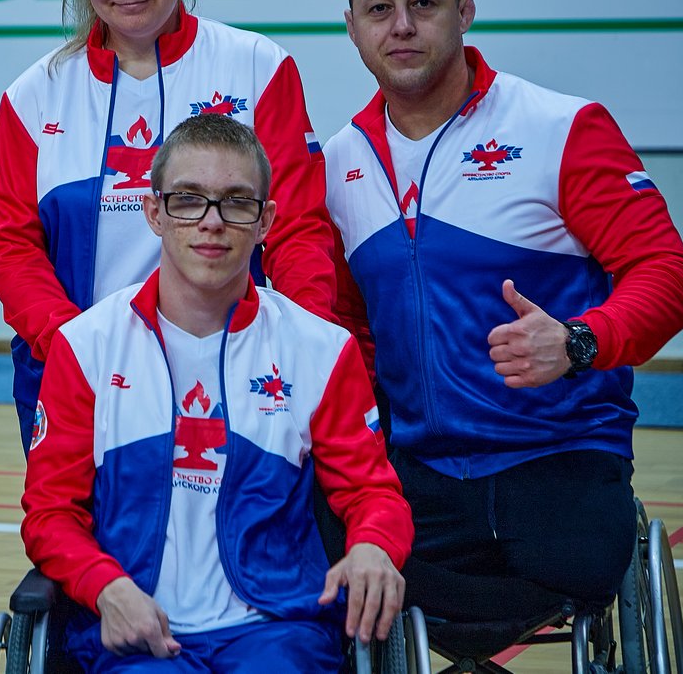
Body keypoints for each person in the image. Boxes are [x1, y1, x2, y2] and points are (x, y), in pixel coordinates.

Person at [325, 0, 683, 624]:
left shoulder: (560, 126)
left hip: (558, 457)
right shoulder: (339, 162)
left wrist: (578, 341)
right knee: (322, 552)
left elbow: (670, 275)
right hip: (419, 474)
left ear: (464, 13)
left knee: (578, 567)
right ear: (352, 27)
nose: (401, 25)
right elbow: (350, 329)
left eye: (423, 3)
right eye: (379, 9)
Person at [21, 115, 412, 673]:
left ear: (265, 221)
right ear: (154, 212)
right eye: (188, 199)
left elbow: (374, 493)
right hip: (134, 636)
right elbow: (50, 514)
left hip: (277, 632)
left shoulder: (320, 349)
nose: (212, 221)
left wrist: (373, 545)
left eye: (236, 202)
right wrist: (105, 586)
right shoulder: (86, 347)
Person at [0, 0, 334, 452]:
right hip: (82, 379)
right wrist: (77, 348)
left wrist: (300, 342)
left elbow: (297, 228)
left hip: (238, 373)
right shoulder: (36, 94)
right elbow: (8, 244)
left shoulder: (257, 66)